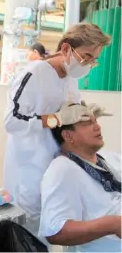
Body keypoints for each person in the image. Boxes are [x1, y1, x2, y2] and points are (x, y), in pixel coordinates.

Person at [3, 23, 111, 238]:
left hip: (56, 165)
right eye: (85, 56)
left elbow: (68, 114)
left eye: (93, 60)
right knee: (29, 232)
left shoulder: (71, 80)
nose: (88, 64)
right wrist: (55, 119)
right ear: (65, 49)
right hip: (29, 170)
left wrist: (85, 113)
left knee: (52, 224)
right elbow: (11, 121)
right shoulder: (34, 74)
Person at [39, 103, 121, 252]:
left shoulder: (111, 158)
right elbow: (55, 231)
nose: (97, 127)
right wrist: (113, 225)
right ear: (68, 136)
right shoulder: (62, 169)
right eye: (87, 123)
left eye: (95, 121)